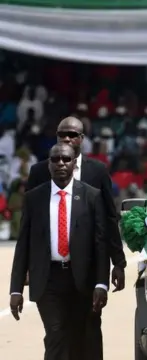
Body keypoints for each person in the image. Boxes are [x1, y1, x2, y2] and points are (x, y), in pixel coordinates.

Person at [25, 117, 125, 360]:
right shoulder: (39, 171)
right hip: (51, 269)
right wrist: (29, 266)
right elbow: (30, 225)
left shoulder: (97, 171)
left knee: (89, 330)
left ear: (82, 138)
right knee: (57, 333)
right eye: (62, 134)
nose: (67, 138)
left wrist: (118, 262)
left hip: (89, 267)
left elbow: (110, 220)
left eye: (72, 134)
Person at [9, 143, 110, 360]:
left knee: (78, 337)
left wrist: (102, 283)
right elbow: (23, 244)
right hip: (48, 280)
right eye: (55, 159)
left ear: (74, 163)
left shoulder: (91, 196)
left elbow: (100, 243)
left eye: (66, 159)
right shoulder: (34, 198)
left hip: (81, 279)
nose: (60, 163)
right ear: (48, 165)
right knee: (56, 335)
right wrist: (15, 289)